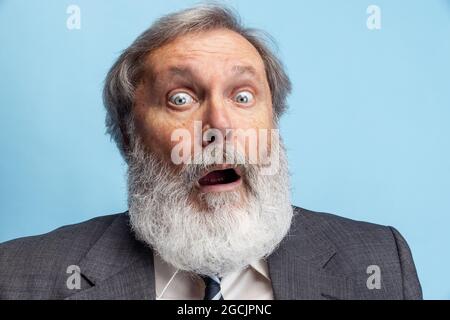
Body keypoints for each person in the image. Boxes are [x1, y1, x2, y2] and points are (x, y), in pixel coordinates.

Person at [0, 4, 421, 300]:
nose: (219, 125)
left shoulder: (382, 262)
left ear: (273, 121)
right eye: (180, 99)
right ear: (129, 136)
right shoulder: (18, 274)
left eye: (242, 96)